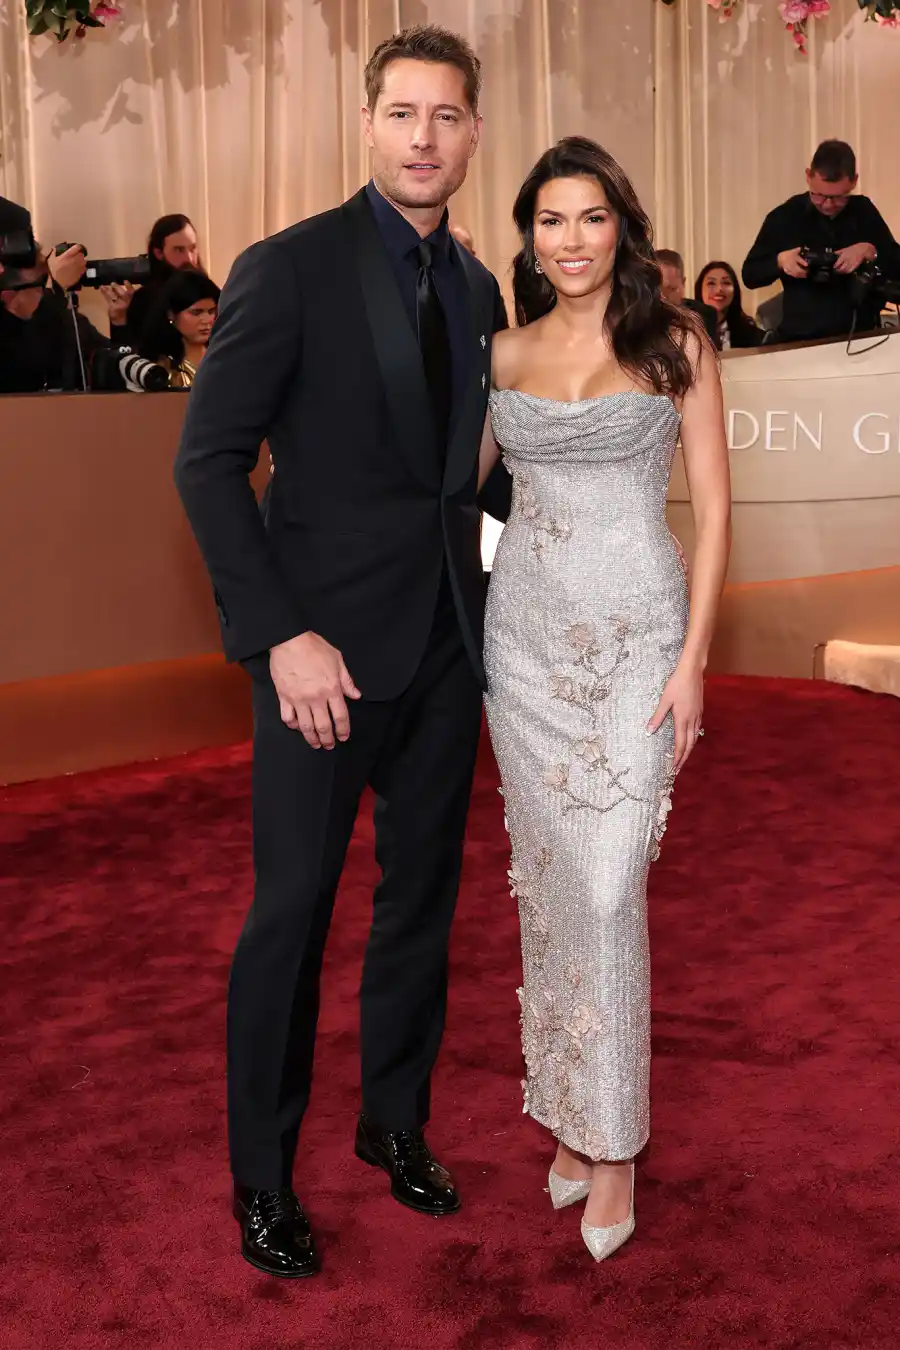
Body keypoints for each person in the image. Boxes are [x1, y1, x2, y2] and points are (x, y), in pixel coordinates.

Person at [174, 24, 511, 1279]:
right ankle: (261, 1179)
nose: (425, 137)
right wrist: (278, 638)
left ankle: (394, 1122)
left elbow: (463, 483)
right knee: (293, 915)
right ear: (367, 125)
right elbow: (207, 463)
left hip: (442, 651)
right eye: (404, 113)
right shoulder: (289, 266)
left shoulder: (480, 292)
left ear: (474, 136)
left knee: (422, 905)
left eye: (448, 116)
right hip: (317, 660)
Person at [479, 136, 731, 1261]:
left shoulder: (676, 341)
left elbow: (717, 511)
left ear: (620, 226)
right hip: (522, 647)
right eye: (549, 221)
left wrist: (694, 663)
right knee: (550, 891)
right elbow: (452, 489)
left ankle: (616, 1143)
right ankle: (572, 1118)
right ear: (527, 236)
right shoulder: (503, 349)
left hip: (636, 645)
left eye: (590, 219)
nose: (571, 241)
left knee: (608, 881)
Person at [742, 139, 900, 342]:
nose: (827, 204)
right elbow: (750, 275)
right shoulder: (785, 216)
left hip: (862, 337)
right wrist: (780, 261)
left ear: (854, 181)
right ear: (808, 176)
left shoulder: (863, 212)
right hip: (801, 340)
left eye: (839, 197)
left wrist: (870, 251)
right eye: (818, 195)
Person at [0, 255, 106, 394]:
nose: (45, 293)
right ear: (9, 296)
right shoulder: (10, 340)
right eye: (42, 284)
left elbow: (112, 360)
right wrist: (56, 290)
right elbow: (25, 366)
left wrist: (120, 322)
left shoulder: (67, 321)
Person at [103, 213, 203, 349]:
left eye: (193, 248)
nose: (189, 259)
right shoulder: (143, 300)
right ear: (159, 253)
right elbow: (127, 360)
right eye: (179, 250)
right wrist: (120, 320)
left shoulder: (209, 293)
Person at [139, 269, 220, 388]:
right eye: (196, 313)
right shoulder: (161, 369)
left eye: (211, 311)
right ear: (171, 314)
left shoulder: (226, 355)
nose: (207, 320)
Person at [655, 248, 718, 346]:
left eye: (671, 289)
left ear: (683, 283)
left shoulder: (705, 315)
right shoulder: (637, 318)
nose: (663, 297)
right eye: (658, 290)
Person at [695, 260, 763, 350]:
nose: (719, 289)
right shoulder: (687, 332)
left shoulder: (752, 335)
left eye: (726, 283)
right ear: (700, 290)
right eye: (711, 283)